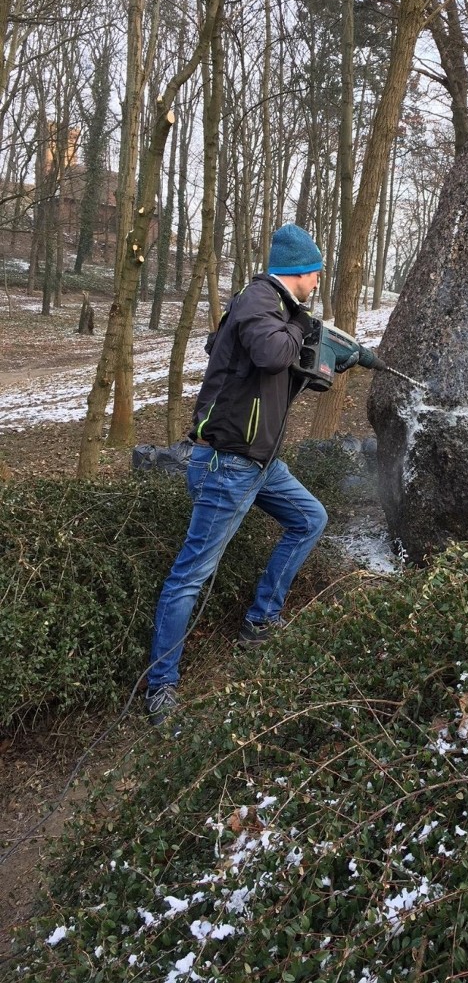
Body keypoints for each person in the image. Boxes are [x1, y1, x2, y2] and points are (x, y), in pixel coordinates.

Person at [144, 223, 354, 726]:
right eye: (316, 272)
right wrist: (307, 327)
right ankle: (160, 686)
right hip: (229, 463)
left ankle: (260, 621)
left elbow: (281, 369)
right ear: (299, 272)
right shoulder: (261, 300)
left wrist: (327, 358)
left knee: (310, 518)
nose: (320, 279)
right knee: (189, 576)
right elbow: (270, 353)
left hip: (259, 461)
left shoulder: (274, 308)